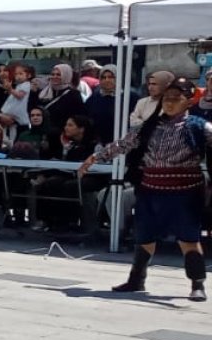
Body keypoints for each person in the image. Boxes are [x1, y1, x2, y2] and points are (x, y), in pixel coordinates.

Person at [80, 78, 207, 300]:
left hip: (184, 192)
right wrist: (95, 157)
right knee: (144, 236)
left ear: (189, 101)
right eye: (166, 99)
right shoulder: (149, 127)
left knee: (188, 239)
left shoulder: (199, 127)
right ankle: (136, 279)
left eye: (176, 99)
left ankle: (197, 283)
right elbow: (123, 144)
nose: (169, 103)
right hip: (151, 190)